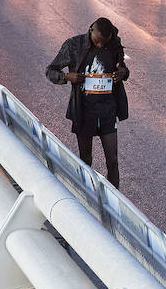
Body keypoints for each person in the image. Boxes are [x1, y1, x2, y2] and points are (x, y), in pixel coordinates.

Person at [46, 17, 129, 188]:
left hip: (108, 110)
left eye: (103, 44)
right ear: (91, 30)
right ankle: (85, 197)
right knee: (85, 159)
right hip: (84, 111)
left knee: (112, 161)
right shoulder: (74, 45)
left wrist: (122, 73)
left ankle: (114, 204)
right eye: (97, 42)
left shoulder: (114, 43)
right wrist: (67, 76)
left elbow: (124, 69)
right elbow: (50, 71)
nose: (100, 46)